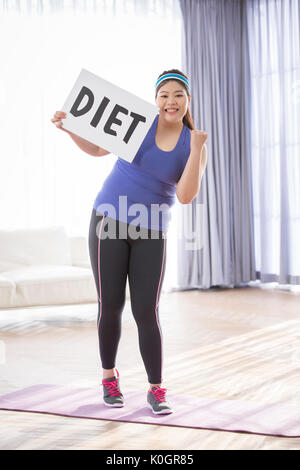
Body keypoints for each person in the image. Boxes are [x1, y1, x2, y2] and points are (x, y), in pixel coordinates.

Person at [51, 69, 208, 415]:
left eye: (178, 95)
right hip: (108, 219)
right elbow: (96, 149)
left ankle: (156, 389)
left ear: (188, 101)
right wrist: (68, 129)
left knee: (146, 311)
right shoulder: (139, 124)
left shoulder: (192, 142)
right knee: (111, 305)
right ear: (156, 99)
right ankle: (109, 377)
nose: (171, 101)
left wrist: (197, 149)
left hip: (152, 231)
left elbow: (184, 196)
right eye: (164, 94)